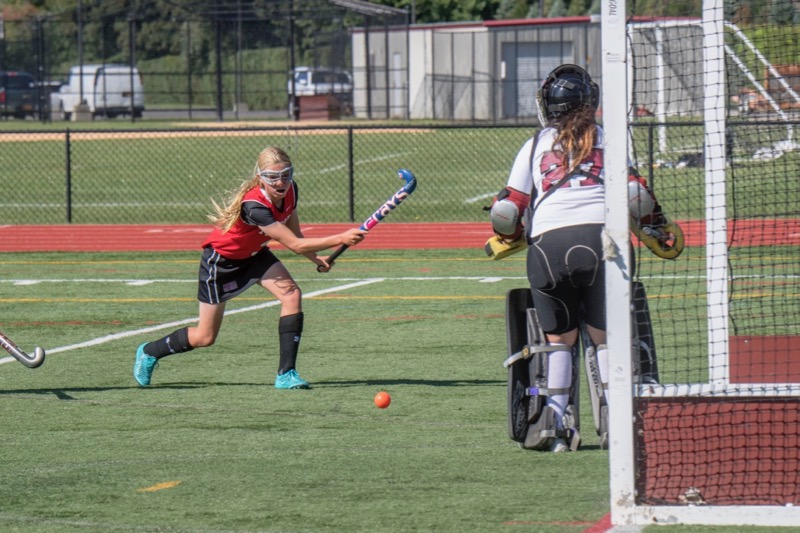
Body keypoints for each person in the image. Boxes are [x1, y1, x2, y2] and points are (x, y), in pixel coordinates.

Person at [133, 146, 367, 390]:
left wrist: (316, 259)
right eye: (272, 177)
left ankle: (286, 375)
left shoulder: (291, 191)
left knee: (292, 295)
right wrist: (341, 238)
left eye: (286, 175)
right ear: (260, 178)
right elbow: (295, 245)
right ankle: (150, 351)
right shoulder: (254, 206)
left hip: (256, 256)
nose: (281, 182)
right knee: (205, 337)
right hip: (221, 263)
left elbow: (296, 234)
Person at [493, 65, 610, 452]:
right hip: (601, 241)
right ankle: (616, 426)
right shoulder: (607, 138)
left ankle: (558, 428)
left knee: (559, 341)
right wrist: (656, 228)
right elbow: (637, 197)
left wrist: (508, 236)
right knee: (604, 338)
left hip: (548, 247)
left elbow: (507, 211)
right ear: (590, 102)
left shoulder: (535, 143)